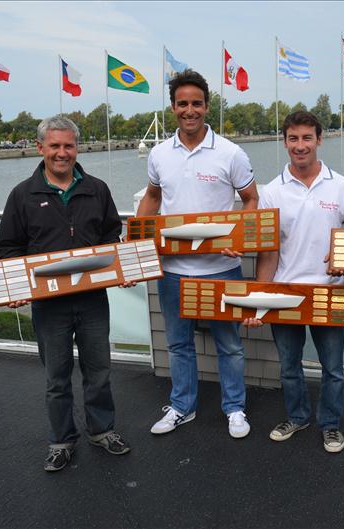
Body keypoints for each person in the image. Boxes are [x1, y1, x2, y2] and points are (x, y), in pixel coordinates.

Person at [0, 115, 131, 472]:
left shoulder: (97, 189)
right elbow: (7, 248)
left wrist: (123, 269)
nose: (62, 153)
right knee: (56, 378)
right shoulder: (22, 195)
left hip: (91, 300)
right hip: (49, 305)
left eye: (68, 145)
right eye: (54, 146)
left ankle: (102, 430)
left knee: (98, 371)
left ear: (77, 147)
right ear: (40, 148)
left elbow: (111, 236)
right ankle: (61, 440)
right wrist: (17, 287)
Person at [136, 69, 259, 439]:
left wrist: (236, 234)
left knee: (230, 345)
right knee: (178, 344)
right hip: (174, 270)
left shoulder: (231, 153)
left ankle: (234, 408)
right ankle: (182, 406)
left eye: (197, 103)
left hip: (222, 268)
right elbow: (154, 198)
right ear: (173, 107)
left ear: (207, 106)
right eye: (182, 103)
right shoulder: (158, 153)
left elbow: (251, 199)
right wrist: (138, 241)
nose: (190, 110)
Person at [245, 111, 344, 453]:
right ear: (285, 142)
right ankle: (297, 417)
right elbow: (269, 252)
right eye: (293, 139)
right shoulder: (272, 192)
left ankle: (331, 425)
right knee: (289, 367)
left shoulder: (342, 186)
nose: (300, 146)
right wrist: (260, 296)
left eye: (307, 138)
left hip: (329, 291)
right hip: (285, 291)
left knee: (333, 369)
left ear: (319, 140)